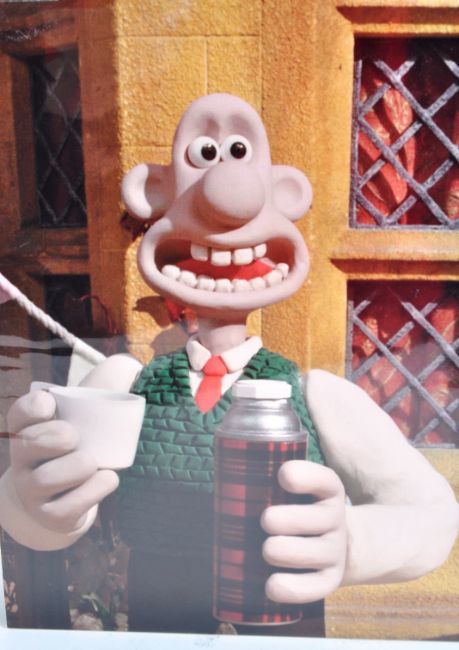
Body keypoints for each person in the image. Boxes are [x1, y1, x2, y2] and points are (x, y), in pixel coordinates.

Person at [0, 94, 457, 634]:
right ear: (154, 196)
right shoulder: (126, 387)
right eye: (203, 157)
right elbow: (37, 512)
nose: (224, 196)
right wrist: (37, 504)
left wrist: (351, 544)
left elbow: (432, 512)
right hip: (159, 612)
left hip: (280, 609)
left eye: (239, 155)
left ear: (284, 195)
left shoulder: (315, 396)